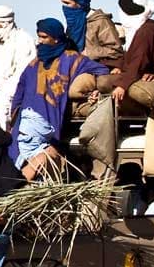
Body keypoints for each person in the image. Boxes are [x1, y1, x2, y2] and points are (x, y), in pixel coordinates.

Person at [8, 18, 114, 178]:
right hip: (25, 121)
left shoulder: (71, 59)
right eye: (39, 37)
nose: (40, 41)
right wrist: (13, 121)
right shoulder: (33, 64)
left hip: (46, 121)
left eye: (44, 37)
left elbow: (101, 70)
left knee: (35, 165)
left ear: (56, 38)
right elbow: (19, 95)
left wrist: (96, 90)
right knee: (19, 161)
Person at [58, 0, 124, 66]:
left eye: (67, 3)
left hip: (97, 66)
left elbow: (115, 50)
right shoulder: (74, 23)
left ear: (79, 3)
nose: (65, 7)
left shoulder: (100, 21)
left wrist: (87, 53)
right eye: (63, 3)